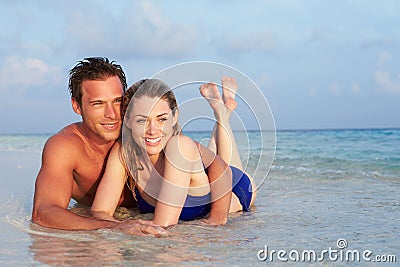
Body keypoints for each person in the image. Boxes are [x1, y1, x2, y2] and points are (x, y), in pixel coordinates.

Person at [31, 57, 230, 235]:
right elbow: (43, 213)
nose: (111, 114)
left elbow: (217, 164)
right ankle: (222, 114)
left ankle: (222, 116)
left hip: (197, 194)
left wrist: (218, 218)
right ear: (77, 106)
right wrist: (117, 227)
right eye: (98, 104)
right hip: (134, 216)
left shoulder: (141, 132)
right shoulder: (66, 147)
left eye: (117, 101)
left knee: (218, 153)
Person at [91, 77, 256, 227]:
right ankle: (223, 110)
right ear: (127, 120)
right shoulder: (124, 152)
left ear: (175, 117)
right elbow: (100, 212)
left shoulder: (180, 146)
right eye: (142, 120)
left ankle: (222, 114)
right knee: (210, 150)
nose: (152, 130)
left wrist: (218, 217)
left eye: (162, 119)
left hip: (235, 186)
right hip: (201, 171)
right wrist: (121, 226)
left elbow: (162, 225)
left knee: (225, 160)